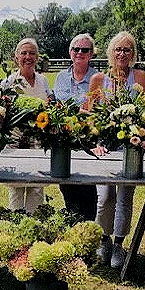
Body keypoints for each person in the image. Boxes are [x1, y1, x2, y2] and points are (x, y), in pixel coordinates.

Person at [86, 31, 145, 268]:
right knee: (105, 197)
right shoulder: (99, 80)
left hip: (130, 147)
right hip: (105, 148)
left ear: (133, 54)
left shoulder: (139, 77)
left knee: (124, 198)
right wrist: (96, 143)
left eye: (127, 50)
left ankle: (119, 245)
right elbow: (91, 116)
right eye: (118, 49)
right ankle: (104, 240)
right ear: (111, 52)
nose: (122, 54)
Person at [1, 38, 52, 213]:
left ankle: (34, 226)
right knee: (16, 187)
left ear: (37, 58)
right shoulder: (8, 82)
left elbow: (50, 106)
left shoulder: (43, 81)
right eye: (23, 53)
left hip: (39, 140)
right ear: (16, 58)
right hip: (15, 141)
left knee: (37, 186)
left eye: (32, 53)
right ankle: (16, 227)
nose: (27, 57)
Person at [53, 33, 99, 221]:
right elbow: (57, 107)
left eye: (85, 50)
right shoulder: (61, 77)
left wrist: (77, 112)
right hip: (65, 140)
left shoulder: (98, 78)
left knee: (88, 188)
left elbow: (97, 112)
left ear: (91, 54)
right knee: (67, 187)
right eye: (76, 49)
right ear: (70, 52)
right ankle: (73, 229)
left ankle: (88, 230)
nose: (80, 52)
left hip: (88, 140)